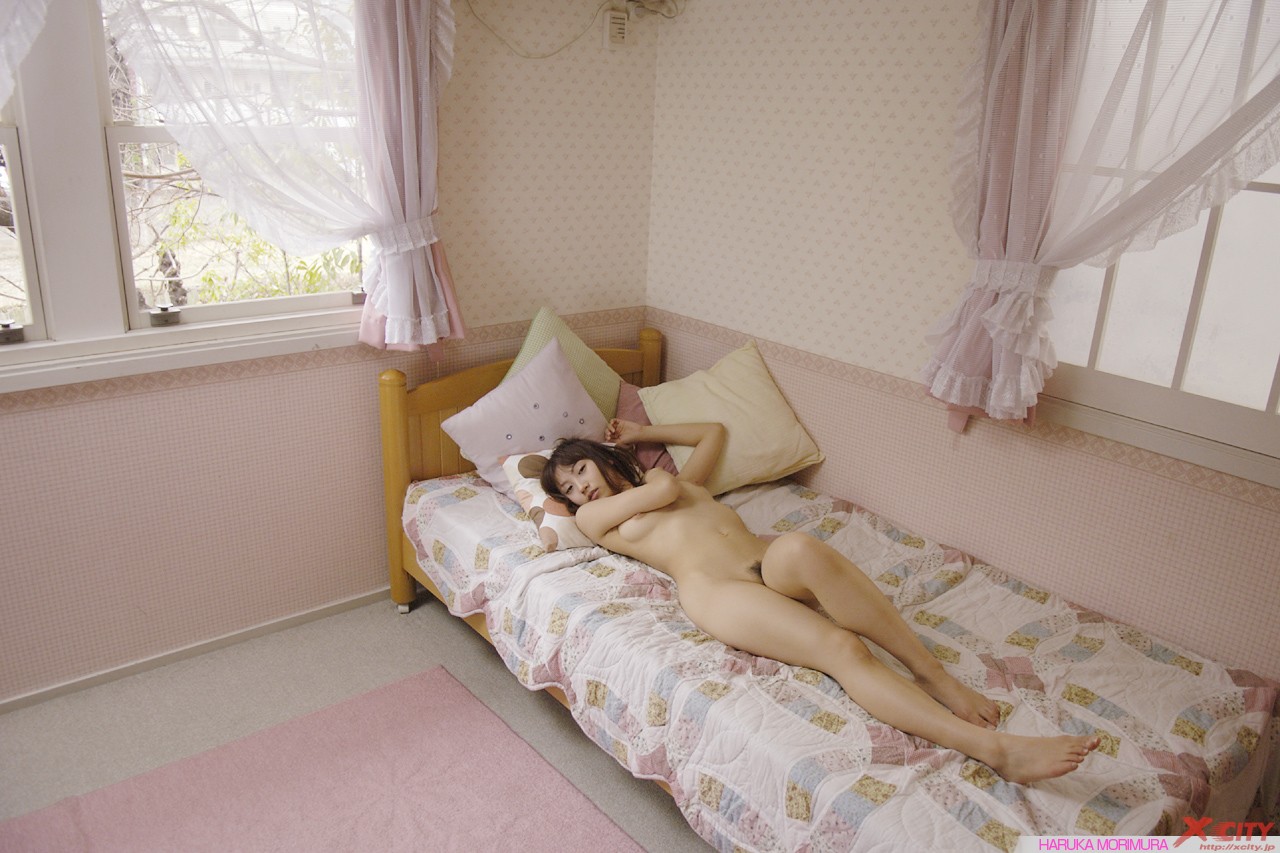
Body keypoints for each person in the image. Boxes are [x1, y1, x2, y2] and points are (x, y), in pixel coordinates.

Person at [541, 418, 1100, 785]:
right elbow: (661, 490)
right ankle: (995, 750)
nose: (579, 488)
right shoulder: (598, 516)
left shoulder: (686, 484)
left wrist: (644, 430)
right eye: (566, 488)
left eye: (579, 469)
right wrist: (623, 461)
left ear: (598, 455)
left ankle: (932, 675)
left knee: (801, 547)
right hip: (719, 594)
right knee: (841, 647)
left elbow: (713, 432)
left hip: (764, 562)